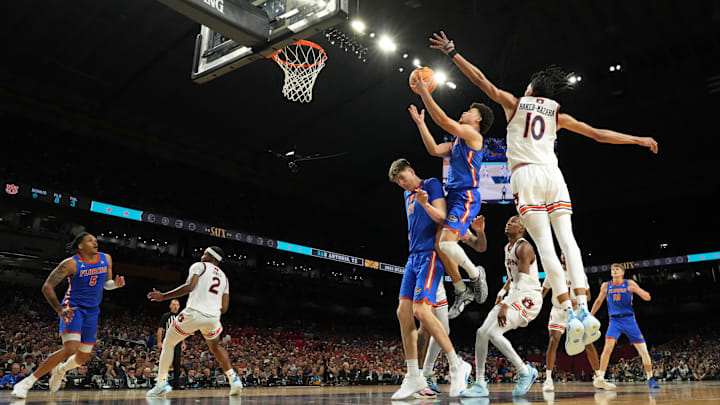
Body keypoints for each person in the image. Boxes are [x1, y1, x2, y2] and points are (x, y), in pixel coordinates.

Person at [429, 31, 658, 355]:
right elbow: (597, 134)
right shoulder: (557, 115)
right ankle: (580, 305)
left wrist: (452, 53)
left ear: (531, 90)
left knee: (546, 247)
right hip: (553, 174)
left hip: (526, 176)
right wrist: (636, 139)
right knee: (569, 242)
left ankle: (570, 311)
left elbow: (482, 81)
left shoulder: (516, 104)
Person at [388, 158, 472, 399]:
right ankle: (413, 375)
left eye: (403, 178)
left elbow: (442, 217)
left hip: (429, 256)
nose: (402, 184)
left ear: (412, 171)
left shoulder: (431, 185)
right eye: (398, 182)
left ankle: (457, 365)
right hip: (413, 257)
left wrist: (425, 204)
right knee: (402, 312)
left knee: (422, 312)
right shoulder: (406, 196)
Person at [408, 85, 491, 318]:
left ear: (478, 119)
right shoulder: (457, 142)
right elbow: (434, 149)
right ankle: (461, 290)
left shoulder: (474, 136)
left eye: (468, 111)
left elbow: (444, 120)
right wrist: (421, 124)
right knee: (439, 245)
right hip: (452, 195)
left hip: (466, 196)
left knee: (444, 244)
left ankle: (475, 275)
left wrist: (424, 92)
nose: (464, 113)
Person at [12, 232, 126, 399]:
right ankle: (27, 383)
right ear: (80, 246)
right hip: (73, 308)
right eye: (90, 240)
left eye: (95, 240)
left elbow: (106, 284)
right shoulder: (70, 264)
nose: (95, 242)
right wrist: (59, 309)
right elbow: (47, 286)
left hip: (93, 311)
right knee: (70, 348)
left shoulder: (106, 258)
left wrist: (115, 285)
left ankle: (60, 370)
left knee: (82, 358)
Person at [145, 246, 243, 397]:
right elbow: (224, 308)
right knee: (215, 347)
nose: (202, 256)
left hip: (194, 313)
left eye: (204, 253)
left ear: (211, 256)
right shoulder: (224, 277)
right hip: (212, 318)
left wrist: (163, 296)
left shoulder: (199, 266)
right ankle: (234, 380)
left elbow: (190, 287)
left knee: (169, 342)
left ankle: (161, 383)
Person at [462, 215, 542, 397]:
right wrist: (502, 291)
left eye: (514, 221)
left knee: (493, 333)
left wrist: (506, 303)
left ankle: (524, 371)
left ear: (522, 229)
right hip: (514, 294)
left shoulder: (524, 247)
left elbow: (522, 281)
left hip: (528, 297)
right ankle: (480, 383)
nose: (509, 223)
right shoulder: (508, 248)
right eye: (508, 220)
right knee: (481, 333)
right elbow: (512, 278)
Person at [591, 263, 660, 389]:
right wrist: (590, 315)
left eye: (617, 269)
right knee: (607, 348)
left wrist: (637, 290)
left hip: (629, 320)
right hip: (614, 321)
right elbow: (599, 301)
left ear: (622, 273)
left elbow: (647, 297)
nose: (614, 271)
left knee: (643, 351)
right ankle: (600, 378)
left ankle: (650, 378)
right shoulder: (606, 286)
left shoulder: (629, 283)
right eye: (612, 269)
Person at [542, 254, 602, 392]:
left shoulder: (579, 274)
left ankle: (598, 376)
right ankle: (548, 379)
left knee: (588, 342)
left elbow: (588, 296)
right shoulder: (553, 272)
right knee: (553, 340)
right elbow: (543, 292)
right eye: (562, 252)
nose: (565, 255)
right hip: (558, 310)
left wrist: (578, 301)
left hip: (576, 311)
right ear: (561, 256)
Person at [157, 299, 187, 388]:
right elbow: (160, 329)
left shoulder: (180, 317)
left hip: (177, 342)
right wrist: (159, 342)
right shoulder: (166, 316)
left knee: (177, 363)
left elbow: (182, 331)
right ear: (170, 306)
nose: (175, 306)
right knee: (165, 363)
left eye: (177, 304)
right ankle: (161, 383)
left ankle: (176, 384)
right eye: (173, 304)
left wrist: (183, 342)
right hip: (167, 342)